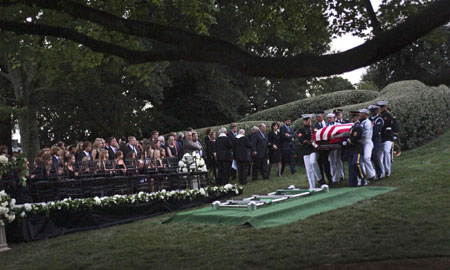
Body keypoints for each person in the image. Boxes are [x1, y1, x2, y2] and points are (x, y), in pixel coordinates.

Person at [297, 114, 322, 189]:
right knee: (309, 169)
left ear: (310, 120)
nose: (306, 121)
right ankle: (312, 185)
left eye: (307, 120)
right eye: (305, 120)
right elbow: (301, 140)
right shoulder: (301, 130)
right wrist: (310, 143)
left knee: (313, 162)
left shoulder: (315, 128)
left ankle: (319, 178)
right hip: (306, 150)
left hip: (314, 150)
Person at [343, 111, 365, 187]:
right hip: (352, 148)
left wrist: (348, 142)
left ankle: (362, 178)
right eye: (351, 117)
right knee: (352, 166)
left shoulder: (358, 126)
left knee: (356, 164)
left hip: (357, 148)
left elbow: (354, 138)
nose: (351, 118)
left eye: (353, 117)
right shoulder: (353, 126)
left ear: (356, 117)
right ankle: (353, 182)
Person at [377, 101, 394, 178]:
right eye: (380, 107)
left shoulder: (387, 115)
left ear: (385, 107)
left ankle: (388, 170)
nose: (381, 108)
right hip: (381, 137)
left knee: (386, 152)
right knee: (380, 155)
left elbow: (386, 125)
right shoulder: (379, 116)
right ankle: (382, 171)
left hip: (388, 137)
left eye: (382, 107)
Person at [314, 110, 332, 183]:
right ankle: (322, 180)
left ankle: (330, 179)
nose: (318, 118)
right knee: (320, 164)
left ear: (322, 116)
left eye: (319, 116)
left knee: (327, 163)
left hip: (328, 146)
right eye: (317, 116)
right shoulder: (314, 126)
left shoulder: (328, 124)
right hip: (320, 147)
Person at [359, 109, 376, 183]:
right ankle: (364, 175)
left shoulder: (367, 122)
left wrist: (358, 137)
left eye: (361, 114)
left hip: (367, 142)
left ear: (365, 114)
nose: (360, 115)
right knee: (361, 160)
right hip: (362, 143)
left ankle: (372, 174)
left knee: (366, 158)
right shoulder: (361, 122)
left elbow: (365, 134)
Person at [368, 105, 385, 179]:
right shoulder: (368, 119)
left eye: (374, 110)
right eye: (371, 111)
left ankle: (380, 172)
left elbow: (377, 130)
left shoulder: (379, 119)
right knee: (369, 157)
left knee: (376, 156)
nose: (373, 112)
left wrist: (369, 133)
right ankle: (373, 174)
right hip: (369, 140)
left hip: (376, 140)